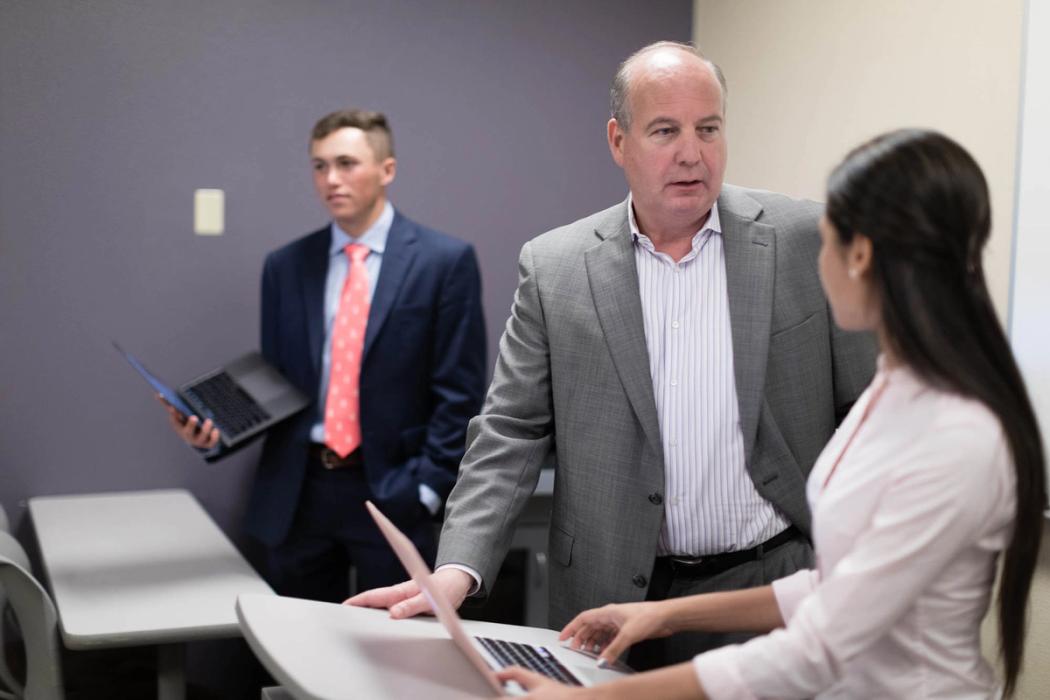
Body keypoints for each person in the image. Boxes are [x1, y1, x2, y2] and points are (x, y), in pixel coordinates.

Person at [349, 42, 877, 665]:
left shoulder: (801, 239)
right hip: (611, 603)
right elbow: (509, 432)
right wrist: (456, 570)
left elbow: (865, 413)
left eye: (708, 129)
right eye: (665, 130)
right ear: (618, 141)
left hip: (775, 587)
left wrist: (860, 558)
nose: (691, 152)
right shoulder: (556, 269)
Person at [496, 128, 1047, 699]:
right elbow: (833, 589)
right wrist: (663, 618)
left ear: (860, 255)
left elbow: (817, 646)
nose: (817, 259)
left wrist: (590, 699)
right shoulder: (893, 387)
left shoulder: (957, 435)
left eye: (826, 242)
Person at [162, 109, 487, 602]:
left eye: (346, 163)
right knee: (298, 650)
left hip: (391, 491)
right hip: (299, 491)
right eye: (319, 166)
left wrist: (426, 490)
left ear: (387, 170)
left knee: (397, 654)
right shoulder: (286, 266)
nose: (331, 179)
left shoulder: (444, 262)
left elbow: (458, 389)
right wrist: (214, 431)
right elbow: (278, 384)